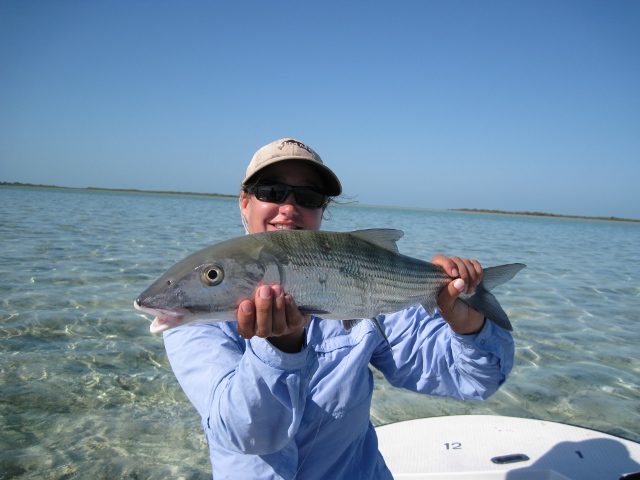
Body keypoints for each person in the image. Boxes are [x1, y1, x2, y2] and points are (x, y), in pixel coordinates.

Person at [163, 138, 514, 479]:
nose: (288, 207)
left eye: (309, 196)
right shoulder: (196, 314)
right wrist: (279, 350)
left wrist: (466, 323)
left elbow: (475, 379)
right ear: (244, 202)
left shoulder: (364, 285)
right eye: (271, 191)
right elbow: (246, 435)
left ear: (322, 209)